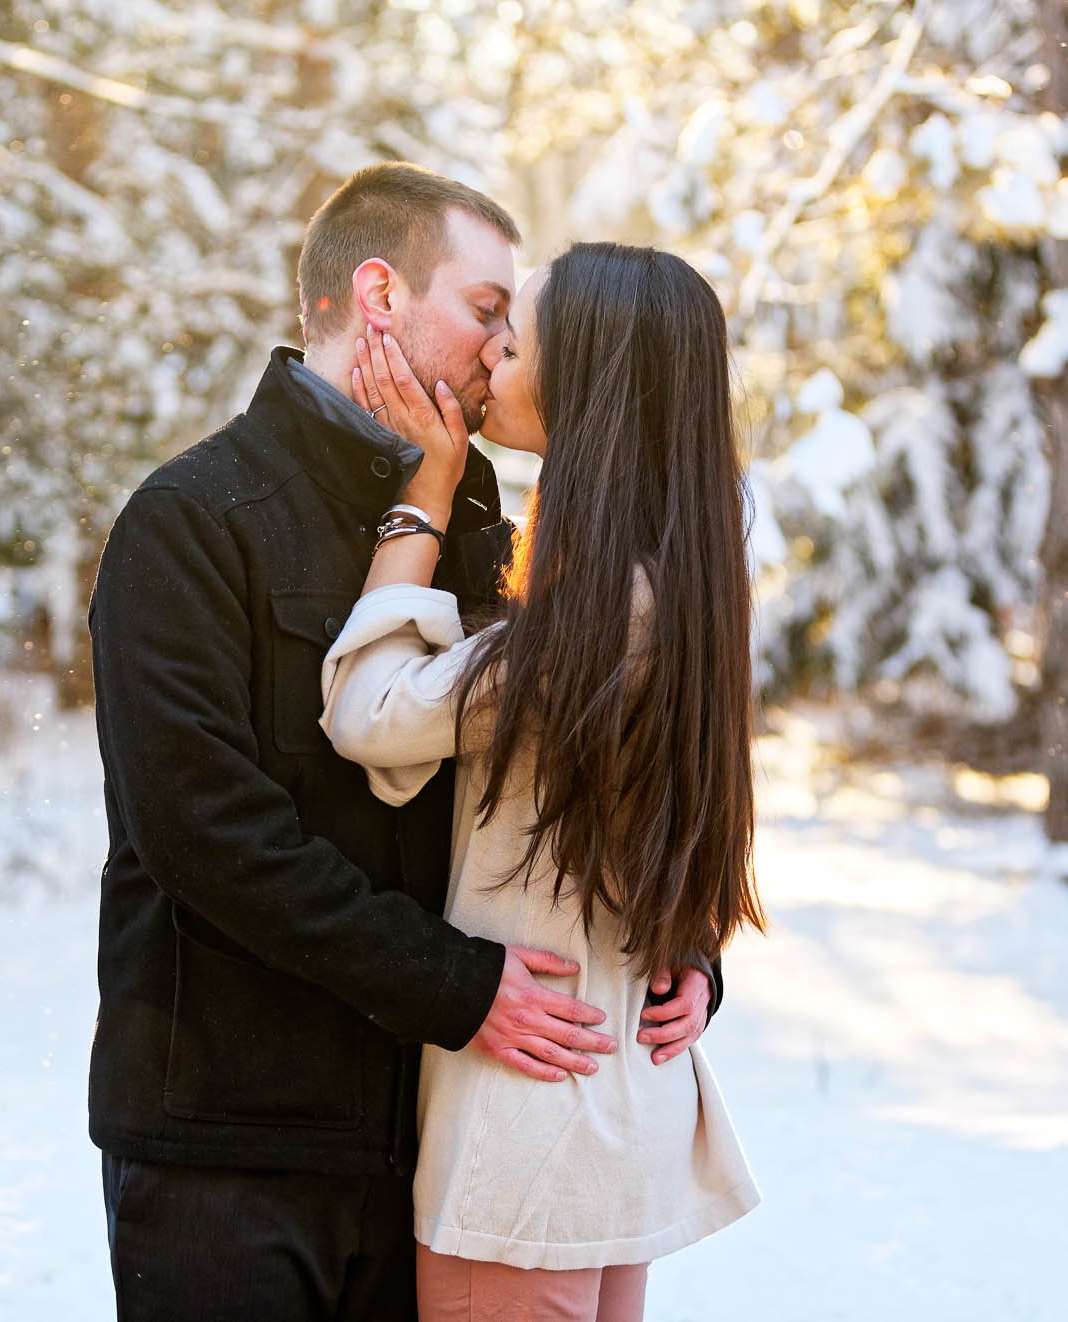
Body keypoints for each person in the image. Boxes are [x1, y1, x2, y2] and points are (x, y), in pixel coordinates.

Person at [87, 166, 720, 1320]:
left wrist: (675, 947)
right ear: (378, 293)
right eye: (488, 311)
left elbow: (583, 780)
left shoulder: (496, 527)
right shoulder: (193, 519)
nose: (500, 351)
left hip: (438, 1136)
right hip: (235, 1139)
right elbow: (202, 833)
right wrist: (455, 985)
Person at [320, 242, 766, 1321]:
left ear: (589, 389)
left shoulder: (592, 622)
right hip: (611, 1111)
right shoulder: (686, 582)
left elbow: (367, 712)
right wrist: (695, 959)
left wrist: (419, 502)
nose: (487, 359)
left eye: (512, 343)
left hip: (530, 1140)